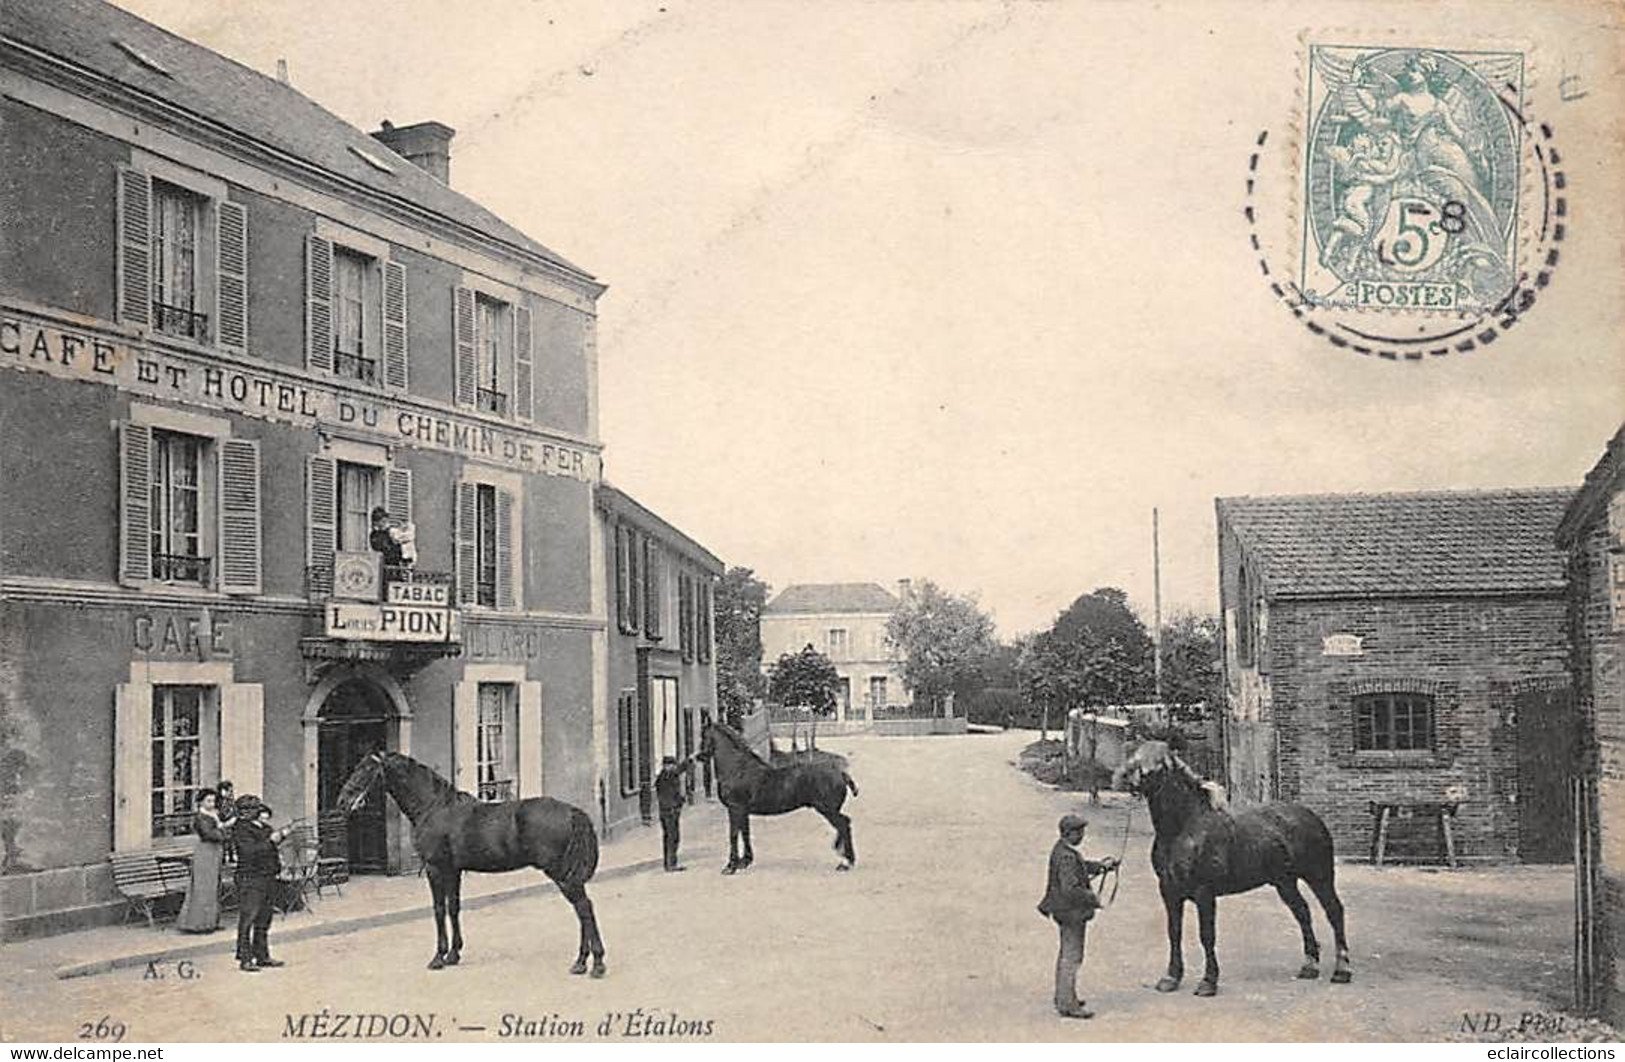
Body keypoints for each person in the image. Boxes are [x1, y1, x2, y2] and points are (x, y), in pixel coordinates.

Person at [1037, 813, 1119, 1019]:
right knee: (1072, 957)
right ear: (1069, 833)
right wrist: (1094, 899)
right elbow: (1071, 889)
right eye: (1079, 832)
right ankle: (1068, 1004)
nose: (1082, 836)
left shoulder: (1065, 851)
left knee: (1068, 955)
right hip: (1070, 913)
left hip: (1065, 912)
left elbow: (1081, 868)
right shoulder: (1066, 856)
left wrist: (1102, 866)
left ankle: (1064, 996)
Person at [233, 798, 294, 972]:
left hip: (268, 877)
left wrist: (281, 836)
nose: (256, 811)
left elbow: (271, 849)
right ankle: (245, 958)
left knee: (264, 918)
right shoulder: (241, 829)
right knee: (248, 918)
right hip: (250, 878)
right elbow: (249, 852)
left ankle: (262, 955)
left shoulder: (265, 828)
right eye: (251, 808)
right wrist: (271, 841)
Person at [175, 789, 235, 933]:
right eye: (208, 800)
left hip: (215, 852)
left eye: (213, 801)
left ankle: (211, 921)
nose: (211, 803)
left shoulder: (213, 815)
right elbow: (210, 835)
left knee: (214, 887)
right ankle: (198, 924)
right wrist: (225, 828)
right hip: (206, 852)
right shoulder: (201, 817)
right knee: (204, 888)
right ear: (201, 802)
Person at [654, 754, 694, 872]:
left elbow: (679, 770)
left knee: (669, 837)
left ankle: (669, 863)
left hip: (667, 810)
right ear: (667, 766)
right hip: (669, 811)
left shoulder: (664, 775)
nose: (672, 767)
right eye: (671, 765)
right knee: (673, 837)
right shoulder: (667, 776)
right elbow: (669, 793)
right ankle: (671, 864)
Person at [216, 780, 237, 865]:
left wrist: (233, 818)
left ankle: (231, 856)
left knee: (230, 839)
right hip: (220, 824)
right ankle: (223, 857)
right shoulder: (217, 801)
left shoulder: (231, 801)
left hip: (230, 824)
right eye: (228, 791)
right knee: (223, 840)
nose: (230, 793)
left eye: (231, 791)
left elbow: (234, 811)